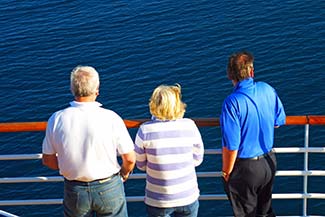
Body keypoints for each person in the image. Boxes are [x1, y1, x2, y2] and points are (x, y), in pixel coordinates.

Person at [42, 66, 136, 217]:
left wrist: (69, 168)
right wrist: (123, 174)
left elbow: (48, 160)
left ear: (72, 89)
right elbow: (130, 158)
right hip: (109, 186)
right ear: (97, 90)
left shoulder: (57, 118)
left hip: (74, 188)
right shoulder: (111, 118)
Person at [220, 51, 286, 217]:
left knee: (246, 213)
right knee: (265, 211)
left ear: (229, 75)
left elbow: (232, 145)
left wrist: (226, 172)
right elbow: (278, 122)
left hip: (246, 168)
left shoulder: (232, 103)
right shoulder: (267, 89)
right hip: (269, 161)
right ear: (251, 72)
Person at [134, 84, 204, 217]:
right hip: (187, 195)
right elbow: (197, 159)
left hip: (158, 199)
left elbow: (140, 165)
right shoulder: (189, 126)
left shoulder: (145, 130)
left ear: (153, 104)